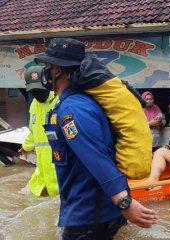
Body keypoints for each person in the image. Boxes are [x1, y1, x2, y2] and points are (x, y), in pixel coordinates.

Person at [35, 38, 158, 239]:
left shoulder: (73, 108)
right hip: (96, 210)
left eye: (47, 67)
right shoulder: (77, 103)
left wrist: (124, 202)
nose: (44, 73)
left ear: (57, 70)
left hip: (89, 215)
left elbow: (96, 156)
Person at [19, 66, 59, 197]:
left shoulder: (60, 102)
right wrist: (25, 146)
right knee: (20, 198)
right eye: (33, 90)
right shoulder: (34, 105)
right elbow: (33, 131)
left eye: (39, 89)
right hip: (42, 172)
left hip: (59, 172)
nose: (37, 93)